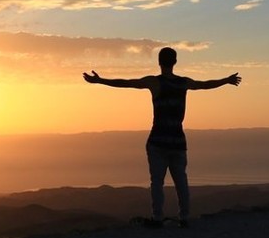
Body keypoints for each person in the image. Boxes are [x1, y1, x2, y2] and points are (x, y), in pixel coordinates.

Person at [83, 47, 241, 228]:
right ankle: (184, 218)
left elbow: (127, 83)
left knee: (157, 182)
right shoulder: (183, 83)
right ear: (175, 62)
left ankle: (157, 218)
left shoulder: (154, 82)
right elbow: (204, 84)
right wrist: (226, 80)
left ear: (159, 62)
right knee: (181, 181)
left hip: (157, 141)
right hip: (178, 141)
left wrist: (100, 80)